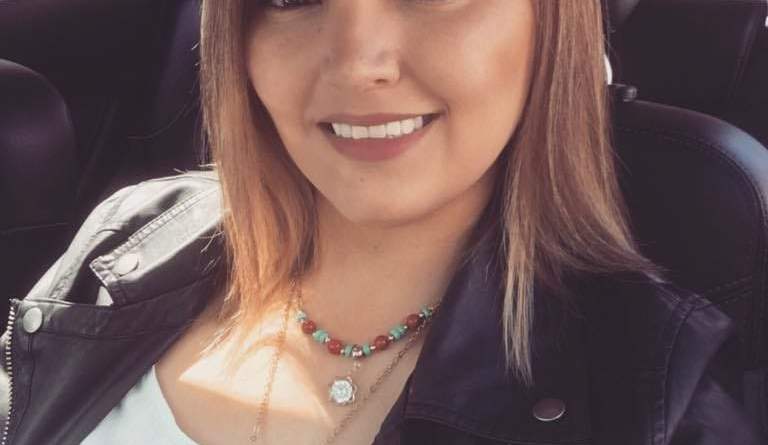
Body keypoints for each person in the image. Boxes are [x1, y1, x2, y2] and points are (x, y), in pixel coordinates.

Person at [0, 1, 764, 444]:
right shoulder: (126, 242)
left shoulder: (657, 394)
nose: (357, 62)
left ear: (549, 24)